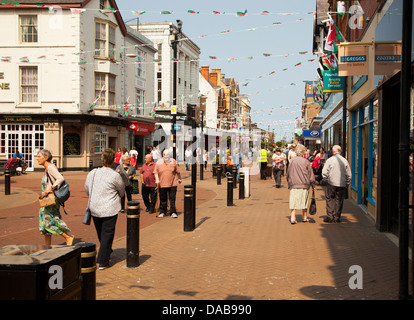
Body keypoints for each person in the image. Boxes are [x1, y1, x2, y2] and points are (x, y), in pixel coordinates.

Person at [85, 148, 125, 270]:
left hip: (95, 207)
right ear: (113, 161)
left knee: (101, 232)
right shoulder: (115, 175)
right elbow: (122, 191)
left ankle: (106, 250)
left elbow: (87, 188)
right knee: (107, 233)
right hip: (109, 208)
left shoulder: (92, 173)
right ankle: (103, 261)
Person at [36, 149, 74, 245]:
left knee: (47, 222)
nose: (37, 158)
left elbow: (60, 178)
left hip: (51, 199)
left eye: (39, 156)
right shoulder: (47, 168)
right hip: (47, 200)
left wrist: (50, 189)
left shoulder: (50, 167)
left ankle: (67, 237)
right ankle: (47, 246)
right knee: (44, 222)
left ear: (46, 157)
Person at [321, 145, 352, 223]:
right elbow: (349, 174)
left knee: (330, 199)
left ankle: (330, 216)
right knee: (339, 200)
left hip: (331, 183)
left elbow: (324, 172)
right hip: (341, 184)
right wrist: (347, 183)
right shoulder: (345, 161)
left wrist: (326, 179)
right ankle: (337, 217)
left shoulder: (330, 160)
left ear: (333, 151)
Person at [286, 144, 316, 224]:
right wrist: (313, 184)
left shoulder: (292, 161)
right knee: (304, 200)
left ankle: (292, 217)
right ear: (303, 152)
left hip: (294, 183)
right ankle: (304, 217)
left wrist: (288, 181)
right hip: (304, 184)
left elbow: (288, 172)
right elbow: (310, 174)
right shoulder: (306, 161)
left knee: (293, 200)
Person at [154, 149, 182, 218]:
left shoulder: (173, 161)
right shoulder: (159, 162)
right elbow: (155, 172)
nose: (166, 156)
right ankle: (163, 211)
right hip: (162, 183)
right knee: (163, 199)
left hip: (172, 183)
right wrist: (157, 179)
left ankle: (173, 212)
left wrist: (179, 178)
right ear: (162, 155)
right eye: (164, 154)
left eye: (167, 155)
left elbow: (177, 171)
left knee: (172, 199)